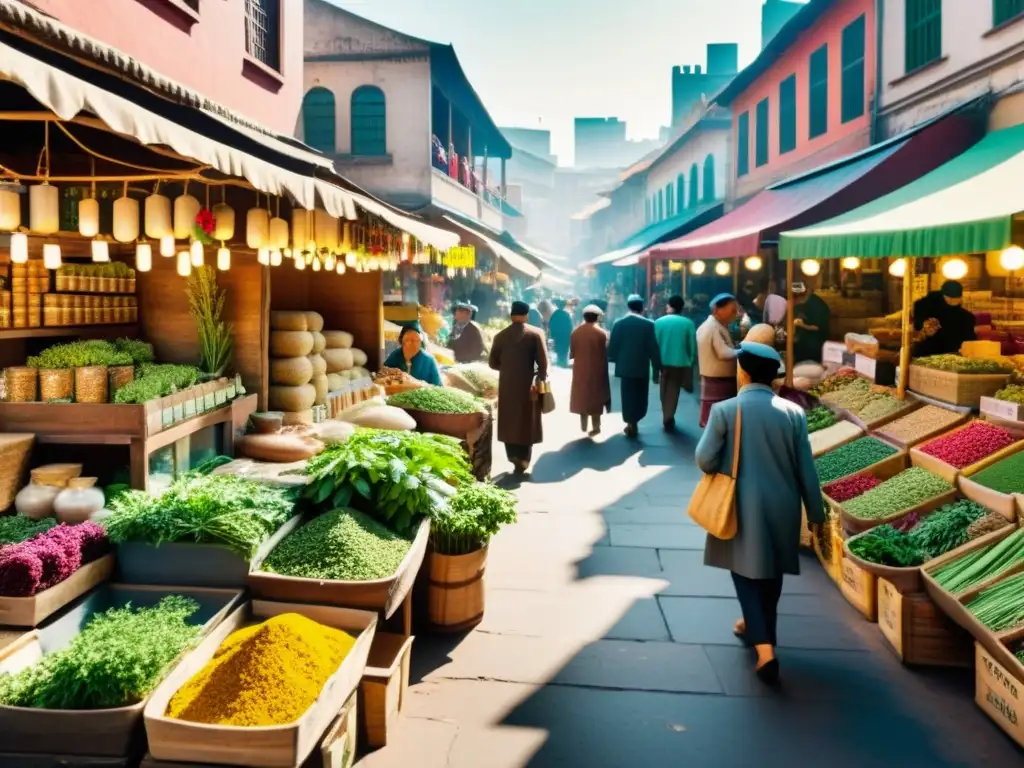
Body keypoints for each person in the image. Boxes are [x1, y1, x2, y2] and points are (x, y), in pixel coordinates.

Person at [695, 341, 825, 685]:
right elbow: (806, 470)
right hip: (784, 505)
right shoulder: (793, 413)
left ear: (744, 371)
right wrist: (816, 513)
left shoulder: (726, 410)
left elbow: (704, 459)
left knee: (745, 574)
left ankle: (766, 650)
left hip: (741, 503)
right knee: (770, 573)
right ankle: (752, 624)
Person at [489, 301, 549, 475]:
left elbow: (493, 363)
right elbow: (543, 364)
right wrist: (539, 378)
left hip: (507, 386)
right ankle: (524, 459)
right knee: (526, 422)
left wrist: (508, 368)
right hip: (528, 386)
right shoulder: (535, 334)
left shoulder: (500, 336)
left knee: (509, 421)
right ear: (527, 315)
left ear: (511, 315)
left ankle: (513, 457)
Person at [608, 294, 662, 438]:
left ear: (628, 307)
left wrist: (613, 359)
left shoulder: (618, 323)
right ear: (642, 308)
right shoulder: (649, 324)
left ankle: (630, 421)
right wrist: (658, 366)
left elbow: (613, 346)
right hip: (641, 367)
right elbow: (653, 348)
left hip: (625, 367)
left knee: (627, 396)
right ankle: (636, 420)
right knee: (640, 396)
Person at [696, 294, 740, 429]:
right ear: (716, 310)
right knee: (716, 421)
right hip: (717, 379)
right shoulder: (712, 327)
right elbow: (723, 353)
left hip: (718, 378)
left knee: (717, 420)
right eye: (732, 310)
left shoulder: (717, 325)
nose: (735, 314)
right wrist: (743, 351)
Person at [654, 295, 697, 431]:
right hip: (679, 362)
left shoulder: (659, 322)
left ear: (670, 306)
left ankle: (666, 413)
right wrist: (691, 361)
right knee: (673, 389)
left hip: (662, 361)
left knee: (663, 387)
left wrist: (653, 364)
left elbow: (654, 344)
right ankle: (668, 416)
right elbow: (692, 346)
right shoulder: (688, 323)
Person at [570, 304, 611, 436]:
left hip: (580, 369)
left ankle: (583, 424)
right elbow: (605, 351)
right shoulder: (601, 333)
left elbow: (572, 353)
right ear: (596, 318)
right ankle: (596, 426)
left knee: (582, 396)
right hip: (597, 370)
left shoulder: (576, 332)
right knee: (595, 397)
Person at [912, 279, 977, 356]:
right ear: (943, 296)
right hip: (930, 352)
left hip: (954, 354)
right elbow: (918, 312)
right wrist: (924, 323)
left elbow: (969, 341)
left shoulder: (967, 317)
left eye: (955, 299)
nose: (952, 301)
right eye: (949, 298)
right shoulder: (927, 304)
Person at [792, 282, 831, 363]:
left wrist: (802, 325)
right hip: (800, 347)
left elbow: (817, 327)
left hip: (814, 348)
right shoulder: (797, 304)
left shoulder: (818, 305)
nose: (795, 301)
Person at [548, 299, 574, 367]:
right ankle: (564, 361)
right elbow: (570, 325)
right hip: (566, 335)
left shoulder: (555, 314)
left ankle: (560, 361)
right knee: (565, 349)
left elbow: (551, 324)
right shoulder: (566, 314)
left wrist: (552, 334)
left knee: (559, 348)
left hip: (558, 335)